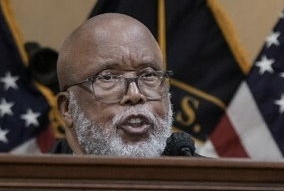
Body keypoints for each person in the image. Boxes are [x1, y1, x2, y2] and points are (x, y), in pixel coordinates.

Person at [53, 13, 197, 157]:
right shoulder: (37, 178)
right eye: (108, 77)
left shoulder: (207, 177)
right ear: (67, 108)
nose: (134, 95)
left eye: (148, 75)